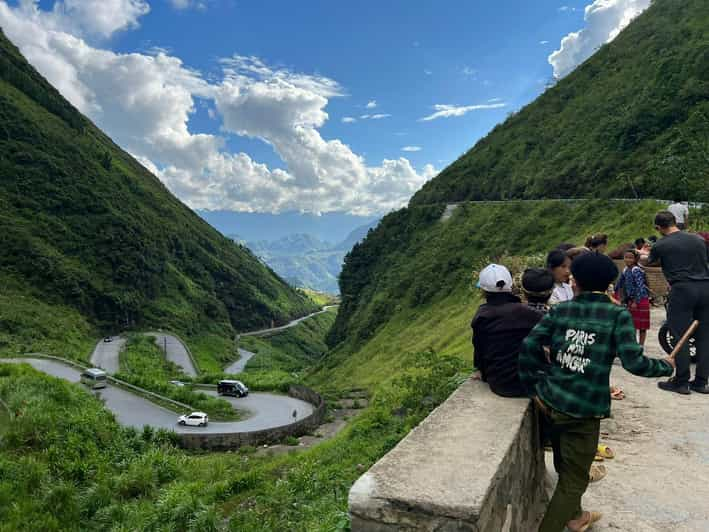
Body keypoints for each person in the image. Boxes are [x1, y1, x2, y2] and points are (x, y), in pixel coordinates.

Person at [519, 253, 675, 532]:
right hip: (584, 409)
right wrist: (664, 367)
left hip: (553, 401)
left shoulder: (561, 310)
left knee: (564, 460)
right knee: (574, 481)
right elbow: (634, 362)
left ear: (574, 280)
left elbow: (529, 346)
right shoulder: (617, 315)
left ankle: (576, 517)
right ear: (609, 285)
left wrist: (535, 387)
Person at [645, 211, 709, 394]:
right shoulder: (698, 239)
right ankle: (701, 382)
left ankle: (681, 382)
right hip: (706, 288)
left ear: (658, 228)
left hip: (682, 290)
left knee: (680, 335)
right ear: (675, 222)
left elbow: (650, 262)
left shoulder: (661, 244)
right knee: (705, 336)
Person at [471, 264, 544, 398]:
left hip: (500, 384)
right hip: (532, 383)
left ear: (483, 291)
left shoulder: (481, 317)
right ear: (510, 286)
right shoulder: (529, 313)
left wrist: (481, 371)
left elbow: (479, 353)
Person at [614, 249, 651, 345]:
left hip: (641, 300)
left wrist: (635, 301)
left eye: (630, 258)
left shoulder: (636, 270)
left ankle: (641, 345)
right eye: (626, 257)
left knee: (642, 326)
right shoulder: (625, 270)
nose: (628, 260)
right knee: (632, 325)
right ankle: (634, 344)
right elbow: (619, 283)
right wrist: (613, 293)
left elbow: (640, 287)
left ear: (635, 259)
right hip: (631, 301)